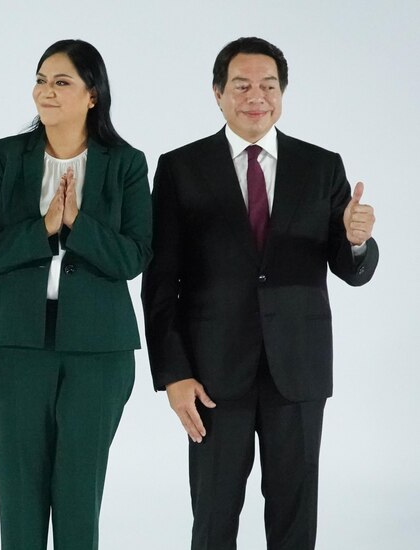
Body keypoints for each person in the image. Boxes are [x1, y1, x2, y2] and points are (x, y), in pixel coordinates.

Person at [143, 37, 379, 549]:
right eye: (242, 85)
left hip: (297, 371)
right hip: (211, 375)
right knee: (213, 518)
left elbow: (349, 267)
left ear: (283, 92)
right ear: (218, 93)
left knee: (295, 518)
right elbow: (161, 281)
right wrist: (174, 374)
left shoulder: (322, 167)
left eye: (268, 86)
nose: (257, 97)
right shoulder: (181, 168)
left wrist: (358, 241)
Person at [0, 39, 151, 549]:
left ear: (93, 94)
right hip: (13, 348)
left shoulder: (127, 163)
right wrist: (45, 227)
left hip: (99, 352)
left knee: (79, 497)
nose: (46, 91)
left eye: (61, 81)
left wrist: (77, 223)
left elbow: (134, 258)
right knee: (19, 499)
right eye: (42, 79)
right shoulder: (4, 156)